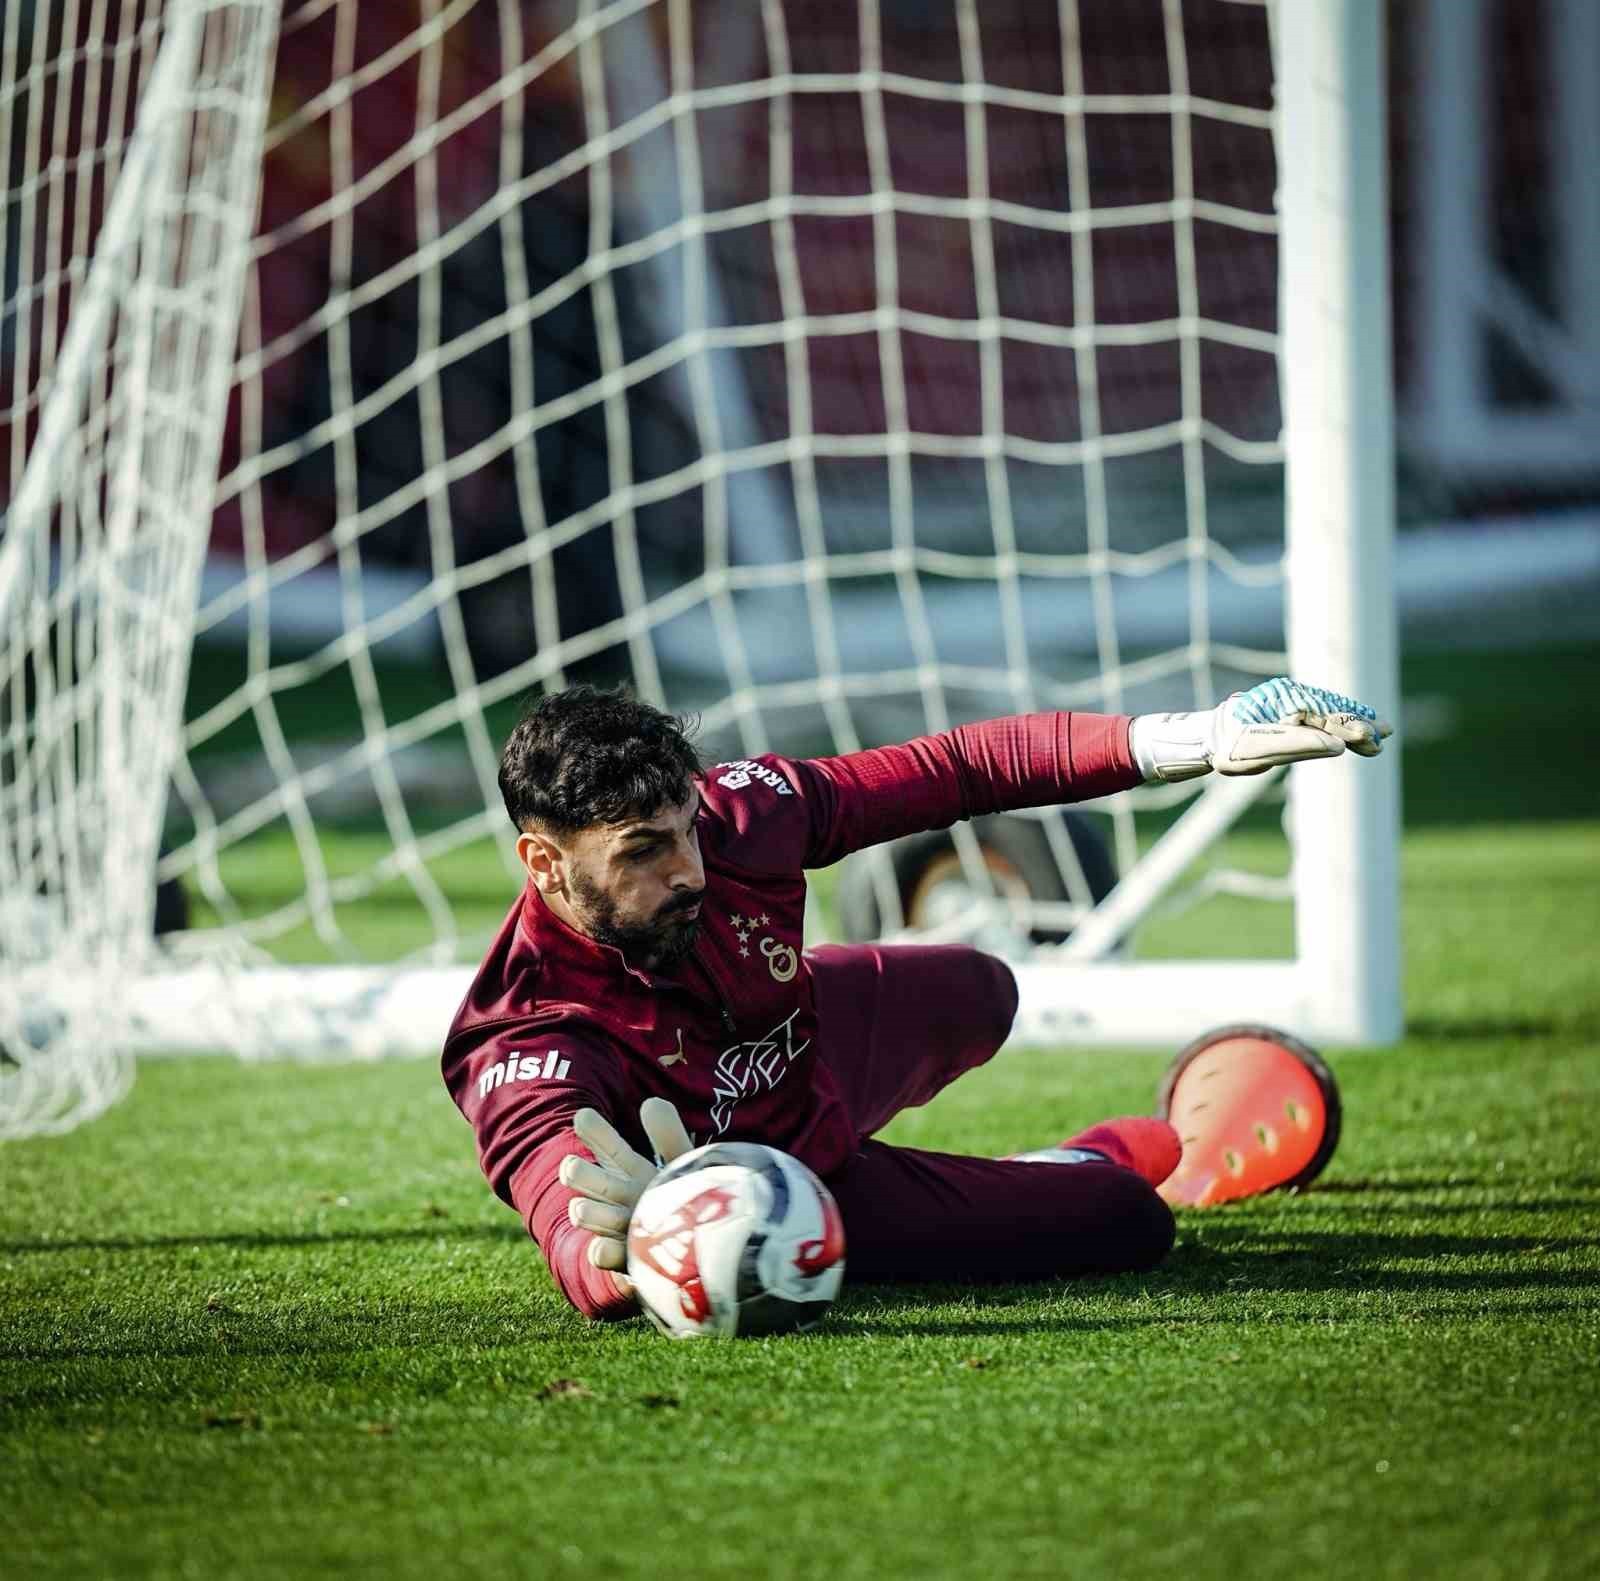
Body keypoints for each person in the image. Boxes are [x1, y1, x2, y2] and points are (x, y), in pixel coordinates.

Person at [442, 681, 1390, 1320]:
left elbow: (956, 769)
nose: (691, 869)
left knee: (982, 986)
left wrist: (1186, 739)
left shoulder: (743, 815)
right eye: (643, 850)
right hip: (793, 1186)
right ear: (544, 862)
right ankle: (1080, 1158)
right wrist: (638, 1240)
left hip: (812, 1056)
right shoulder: (522, 1035)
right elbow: (566, 1215)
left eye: (688, 828)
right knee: (1126, 1219)